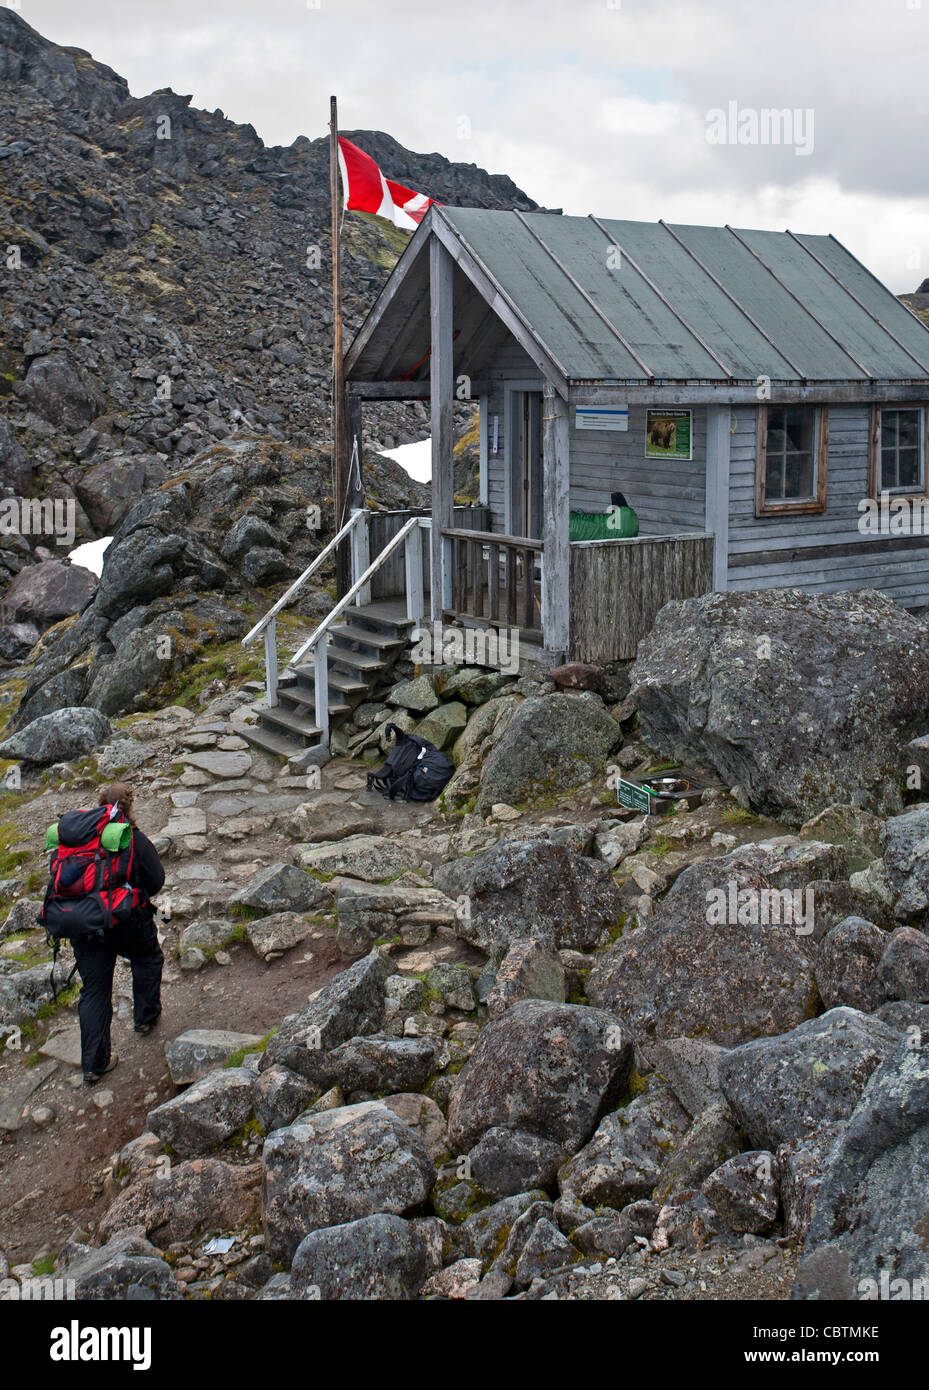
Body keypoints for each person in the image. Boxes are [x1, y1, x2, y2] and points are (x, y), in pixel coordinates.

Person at [71, 783, 165, 1084]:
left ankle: (94, 1064)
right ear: (130, 806)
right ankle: (145, 1019)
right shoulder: (132, 838)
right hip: (125, 919)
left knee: (95, 991)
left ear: (99, 804)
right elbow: (156, 880)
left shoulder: (78, 840)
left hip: (84, 924)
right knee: (147, 957)